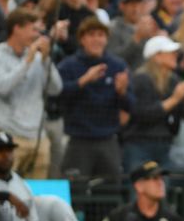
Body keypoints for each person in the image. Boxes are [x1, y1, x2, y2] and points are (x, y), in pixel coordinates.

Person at [0, 9, 62, 179]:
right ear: (17, 28)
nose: (37, 36)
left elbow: (56, 89)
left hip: (38, 137)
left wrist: (46, 60)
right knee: (5, 188)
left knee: (36, 196)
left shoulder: (40, 57)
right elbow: (3, 87)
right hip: (8, 136)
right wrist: (27, 61)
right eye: (34, 30)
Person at [56, 17, 134, 179]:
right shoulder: (68, 66)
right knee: (76, 191)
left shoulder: (118, 66)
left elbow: (132, 106)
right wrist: (83, 81)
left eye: (101, 35)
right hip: (78, 140)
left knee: (111, 192)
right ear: (82, 39)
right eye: (91, 35)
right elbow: (58, 96)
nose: (96, 39)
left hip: (108, 139)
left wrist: (122, 92)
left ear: (106, 39)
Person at [123, 36, 184, 173]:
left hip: (165, 145)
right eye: (170, 52)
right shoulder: (140, 79)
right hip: (140, 144)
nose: (175, 55)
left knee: (161, 191)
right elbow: (143, 114)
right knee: (141, 189)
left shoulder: (174, 80)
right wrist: (175, 99)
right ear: (156, 56)